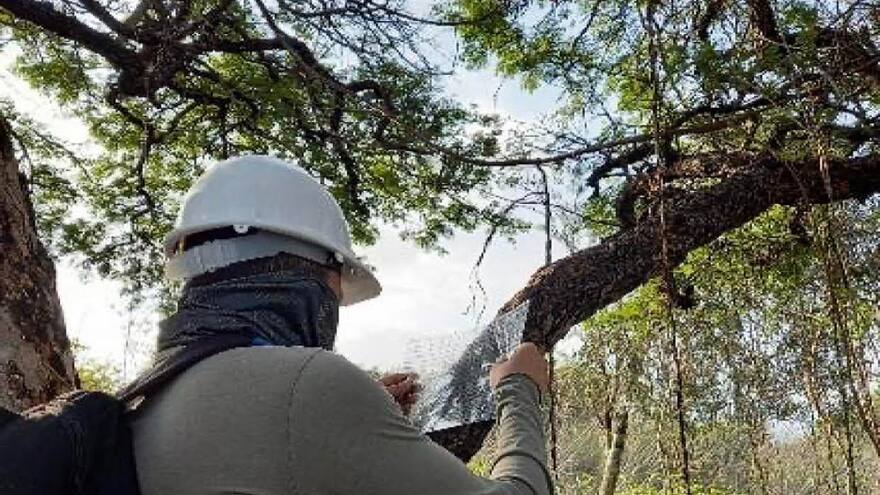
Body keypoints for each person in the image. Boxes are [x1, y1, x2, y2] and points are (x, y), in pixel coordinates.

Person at [124, 155, 553, 495]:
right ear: (301, 274)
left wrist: (353, 413)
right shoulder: (307, 385)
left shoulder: (151, 392)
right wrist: (518, 388)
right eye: (334, 288)